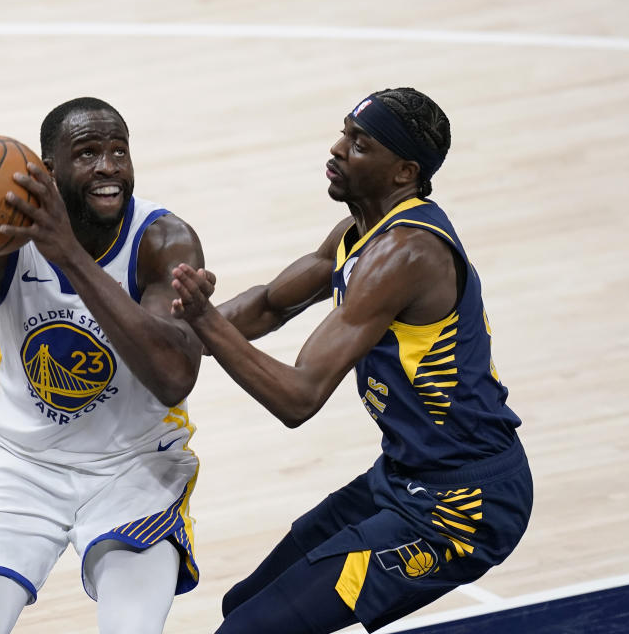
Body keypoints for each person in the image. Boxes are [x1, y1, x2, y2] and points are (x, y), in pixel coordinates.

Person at [170, 87, 533, 633]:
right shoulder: (355, 233)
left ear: (403, 172)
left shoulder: (405, 253)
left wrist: (206, 323)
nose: (338, 149)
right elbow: (271, 304)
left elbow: (298, 396)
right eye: (344, 133)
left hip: (462, 506)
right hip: (403, 476)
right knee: (244, 605)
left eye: (360, 144)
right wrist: (161, 339)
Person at [0, 97, 206, 634]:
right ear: (47, 173)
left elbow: (174, 378)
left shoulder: (163, 241)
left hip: (133, 466)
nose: (108, 167)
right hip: (19, 462)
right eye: (88, 154)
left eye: (118, 152)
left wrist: (71, 257)